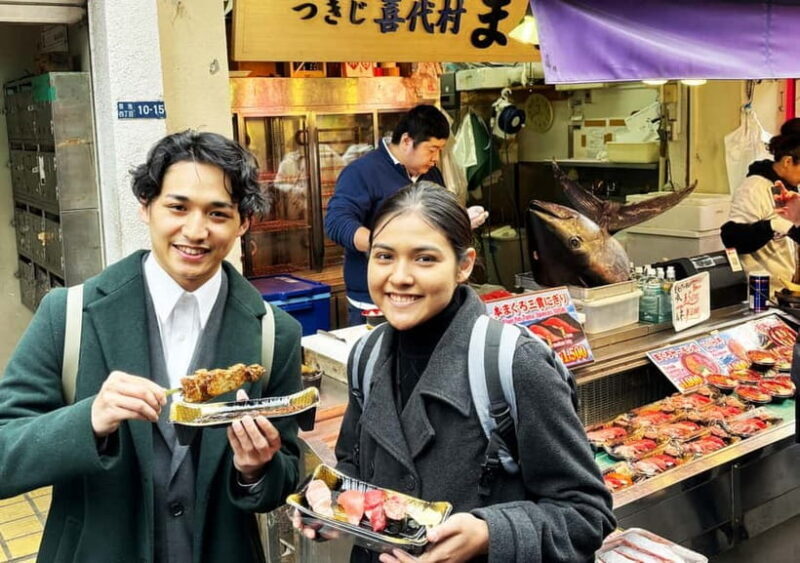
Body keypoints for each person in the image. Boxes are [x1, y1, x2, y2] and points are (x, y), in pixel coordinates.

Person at [0, 131, 303, 562]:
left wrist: (255, 470)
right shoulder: (68, 316)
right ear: (146, 206)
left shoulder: (275, 334)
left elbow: (286, 473)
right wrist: (88, 420)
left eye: (218, 213)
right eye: (177, 207)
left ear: (244, 223)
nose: (195, 231)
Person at [301, 181, 615, 562]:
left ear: (463, 265)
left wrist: (489, 533)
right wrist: (330, 502)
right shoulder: (366, 357)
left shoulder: (513, 364)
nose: (399, 276)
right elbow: (355, 466)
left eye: (425, 259)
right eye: (384, 257)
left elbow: (586, 513)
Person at [324, 104, 488, 326]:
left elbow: (436, 220)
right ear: (407, 141)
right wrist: (382, 248)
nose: (436, 158)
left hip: (425, 295)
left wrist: (461, 219)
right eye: (431, 149)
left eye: (439, 150)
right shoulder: (362, 172)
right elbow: (337, 222)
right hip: (375, 301)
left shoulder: (431, 174)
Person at [721, 119, 800, 294]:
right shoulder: (754, 188)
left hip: (787, 288)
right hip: (762, 292)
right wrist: (772, 225)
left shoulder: (792, 190)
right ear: (788, 162)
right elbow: (732, 238)